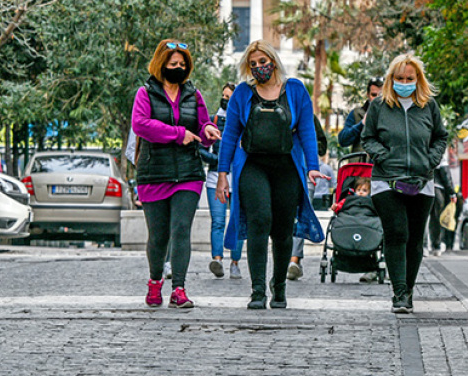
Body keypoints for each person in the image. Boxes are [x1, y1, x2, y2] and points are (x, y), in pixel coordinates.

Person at [216, 40, 326, 310]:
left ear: (273, 61)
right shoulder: (242, 93)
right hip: (253, 165)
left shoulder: (296, 89)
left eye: (262, 62)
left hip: (287, 166)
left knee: (282, 228)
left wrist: (312, 166)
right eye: (252, 64)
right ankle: (257, 292)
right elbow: (229, 136)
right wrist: (222, 174)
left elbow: (307, 131)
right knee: (259, 220)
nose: (258, 68)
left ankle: (279, 287)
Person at [131, 39, 221, 309]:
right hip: (153, 173)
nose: (179, 68)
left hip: (188, 172)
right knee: (158, 235)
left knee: (181, 230)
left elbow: (203, 123)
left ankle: (179, 289)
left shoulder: (194, 95)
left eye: (182, 64)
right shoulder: (145, 93)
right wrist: (178, 134)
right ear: (162, 65)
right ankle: (155, 282)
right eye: (173, 64)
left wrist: (206, 131)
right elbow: (140, 124)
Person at [362, 53, 447, 314]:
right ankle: (398, 293)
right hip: (386, 180)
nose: (404, 82)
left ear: (418, 79)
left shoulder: (428, 105)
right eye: (399, 78)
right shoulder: (379, 106)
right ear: (391, 79)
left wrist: (429, 161)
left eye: (410, 78)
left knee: (414, 239)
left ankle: (408, 290)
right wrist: (385, 157)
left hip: (422, 181)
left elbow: (440, 138)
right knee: (397, 233)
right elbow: (369, 138)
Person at [204, 84, 243, 280]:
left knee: (236, 221)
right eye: (223, 96)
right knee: (218, 222)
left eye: (229, 96)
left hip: (238, 179)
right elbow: (201, 148)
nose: (225, 100)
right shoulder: (213, 120)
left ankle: (235, 262)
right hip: (214, 178)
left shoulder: (243, 121)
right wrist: (219, 162)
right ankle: (217, 260)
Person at [288, 116, 331, 280]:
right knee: (287, 217)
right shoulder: (278, 112)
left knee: (302, 214)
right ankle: (290, 259)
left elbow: (322, 147)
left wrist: (307, 143)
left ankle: (294, 259)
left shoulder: (310, 118)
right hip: (285, 170)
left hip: (307, 173)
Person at [337, 77, 383, 153]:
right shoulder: (356, 113)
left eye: (381, 95)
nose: (377, 99)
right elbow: (343, 140)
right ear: (368, 95)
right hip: (361, 163)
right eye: (374, 95)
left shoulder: (393, 115)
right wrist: (361, 124)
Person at [426, 163, 455, 256]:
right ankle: (436, 246)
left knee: (423, 219)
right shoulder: (440, 153)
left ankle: (423, 246)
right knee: (436, 219)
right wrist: (452, 192)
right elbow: (445, 174)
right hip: (437, 189)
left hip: (422, 188)